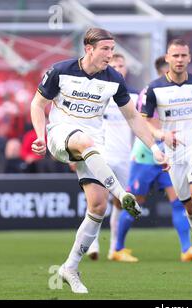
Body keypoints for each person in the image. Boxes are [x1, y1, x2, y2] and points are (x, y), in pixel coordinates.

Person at [30, 27, 168, 293]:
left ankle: (70, 267)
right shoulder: (60, 70)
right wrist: (40, 136)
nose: (110, 54)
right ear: (89, 48)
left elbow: (133, 118)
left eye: (112, 49)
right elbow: (37, 104)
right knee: (84, 142)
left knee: (98, 206)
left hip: (94, 145)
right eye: (105, 49)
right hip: (61, 135)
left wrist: (155, 147)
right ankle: (122, 192)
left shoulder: (114, 78)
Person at [142, 39, 192, 273]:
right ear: (167, 58)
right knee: (188, 206)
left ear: (189, 58)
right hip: (174, 152)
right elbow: (144, 121)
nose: (179, 60)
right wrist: (161, 134)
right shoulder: (154, 88)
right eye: (174, 56)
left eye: (183, 56)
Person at [111, 56, 192, 263]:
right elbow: (143, 122)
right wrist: (160, 137)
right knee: (135, 203)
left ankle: (186, 249)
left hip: (170, 156)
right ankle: (118, 248)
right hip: (146, 156)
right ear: (162, 72)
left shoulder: (181, 94)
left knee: (178, 201)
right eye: (171, 69)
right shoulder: (149, 92)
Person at [85, 53, 141, 262]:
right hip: (100, 154)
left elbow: (142, 124)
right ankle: (92, 244)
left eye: (121, 65)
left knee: (121, 202)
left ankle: (115, 248)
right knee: (95, 200)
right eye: (114, 64)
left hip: (126, 157)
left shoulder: (134, 97)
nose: (118, 68)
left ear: (126, 69)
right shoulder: (96, 92)